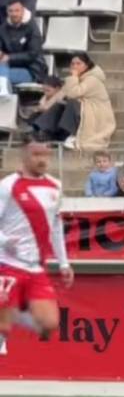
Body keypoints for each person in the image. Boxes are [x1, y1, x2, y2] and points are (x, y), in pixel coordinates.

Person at [0, 141, 74, 357]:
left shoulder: (55, 186)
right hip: (7, 264)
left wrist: (64, 263)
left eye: (45, 154)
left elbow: (57, 225)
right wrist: (5, 242)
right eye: (36, 154)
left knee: (49, 324)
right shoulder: (8, 186)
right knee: (2, 327)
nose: (42, 159)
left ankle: (15, 309)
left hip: (35, 267)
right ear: (24, 156)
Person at [0, 0, 45, 94]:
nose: (14, 14)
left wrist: (9, 58)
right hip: (7, 67)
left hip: (30, 69)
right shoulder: (3, 28)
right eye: (10, 11)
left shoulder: (32, 28)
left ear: (23, 10)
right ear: (7, 12)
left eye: (17, 10)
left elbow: (32, 54)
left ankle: (3, 98)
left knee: (2, 76)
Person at [27, 76, 68, 143]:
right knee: (35, 114)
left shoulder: (63, 97)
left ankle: (42, 132)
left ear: (57, 88)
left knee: (57, 107)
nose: (45, 93)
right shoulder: (45, 97)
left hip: (58, 126)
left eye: (48, 90)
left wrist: (43, 109)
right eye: (44, 90)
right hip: (47, 124)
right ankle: (34, 130)